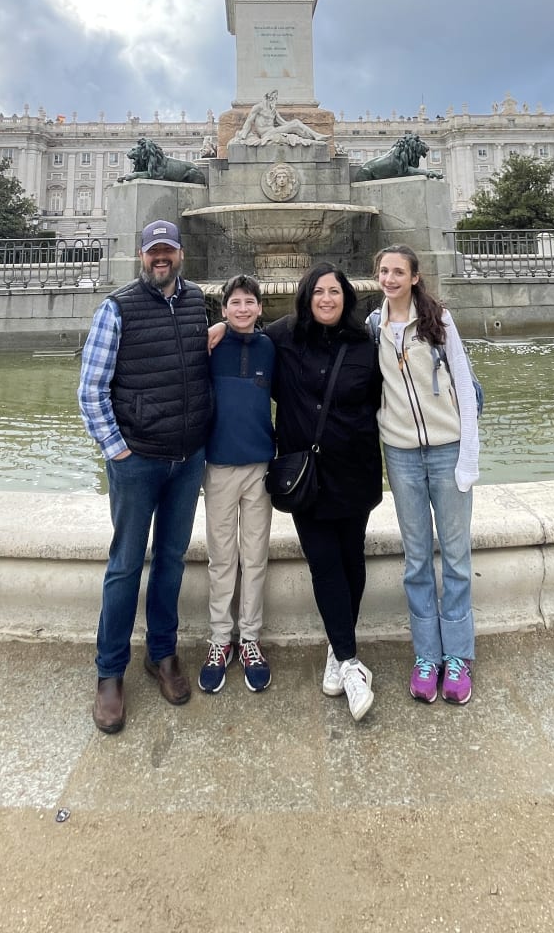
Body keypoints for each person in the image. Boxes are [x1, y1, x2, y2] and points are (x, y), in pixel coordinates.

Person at [77, 219, 213, 735]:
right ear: (142, 256)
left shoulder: (197, 300)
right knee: (125, 565)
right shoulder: (117, 308)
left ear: (180, 256)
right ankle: (109, 673)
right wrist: (118, 451)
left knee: (172, 562)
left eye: (169, 252)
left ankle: (162, 654)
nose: (162, 259)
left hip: (186, 458)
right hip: (138, 460)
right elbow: (91, 390)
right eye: (154, 252)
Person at [265, 263, 383, 721]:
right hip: (306, 476)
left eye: (334, 292)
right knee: (325, 563)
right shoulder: (283, 337)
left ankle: (338, 649)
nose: (327, 299)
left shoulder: (364, 346)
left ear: (346, 298)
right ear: (306, 297)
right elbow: (243, 334)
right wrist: (217, 327)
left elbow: (384, 399)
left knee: (352, 561)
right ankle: (351, 662)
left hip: (354, 470)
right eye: (319, 292)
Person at [372, 245, 480, 705]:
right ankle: (426, 655)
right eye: (384, 271)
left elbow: (467, 389)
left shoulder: (440, 321)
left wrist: (468, 459)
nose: (390, 278)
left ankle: (457, 656)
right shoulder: (373, 326)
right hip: (400, 455)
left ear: (415, 277)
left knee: (455, 558)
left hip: (446, 450)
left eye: (399, 271)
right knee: (416, 559)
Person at [199, 275, 276, 695]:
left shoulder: (269, 347)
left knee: (256, 556)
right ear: (223, 309)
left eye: (250, 302)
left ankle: (250, 639)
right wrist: (217, 330)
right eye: (235, 303)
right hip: (219, 467)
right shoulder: (209, 345)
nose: (243, 308)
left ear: (260, 308)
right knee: (222, 557)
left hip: (260, 466)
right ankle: (218, 640)